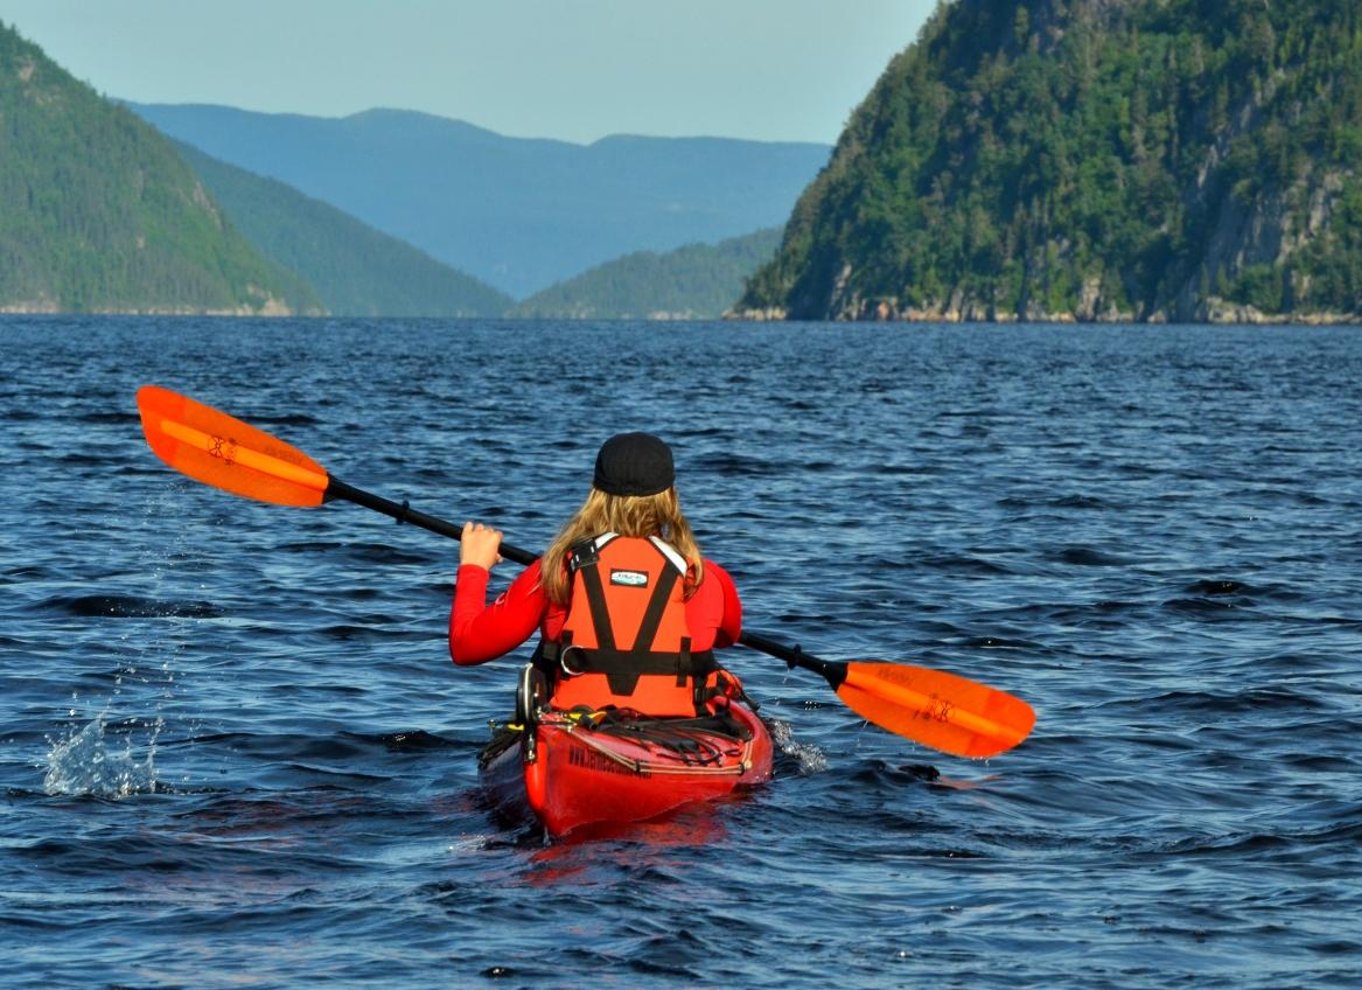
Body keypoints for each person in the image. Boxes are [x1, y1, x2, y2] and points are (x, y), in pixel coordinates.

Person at [449, 432, 745, 718]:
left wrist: (474, 567)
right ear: (671, 497)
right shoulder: (706, 576)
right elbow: (726, 637)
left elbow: (466, 647)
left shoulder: (555, 570)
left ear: (595, 493)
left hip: (577, 726)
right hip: (680, 735)